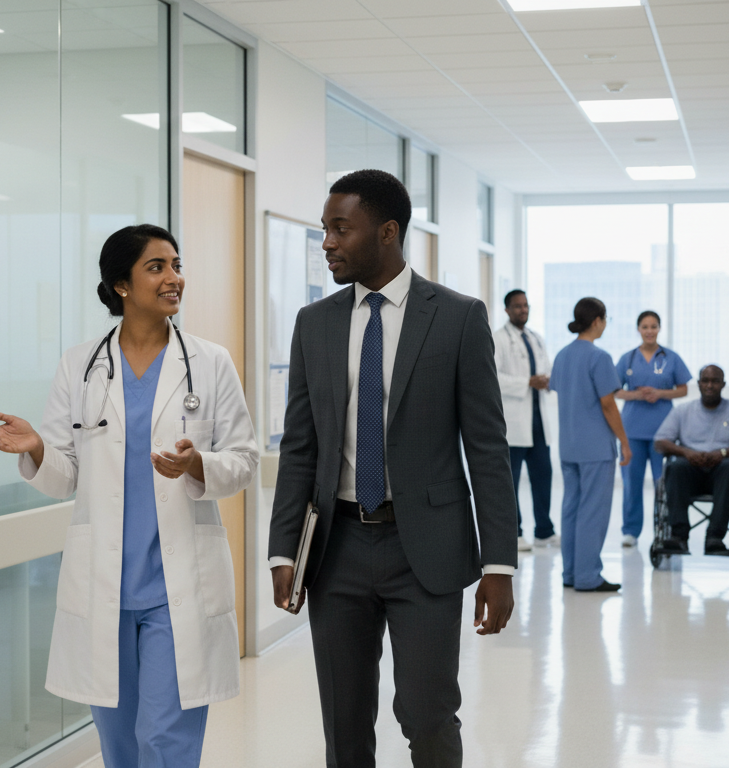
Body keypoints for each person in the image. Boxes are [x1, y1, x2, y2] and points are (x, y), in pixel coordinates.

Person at [0, 224, 259, 768]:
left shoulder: (210, 361)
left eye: (176, 265)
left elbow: (243, 460)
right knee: (121, 744)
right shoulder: (80, 365)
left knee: (165, 741)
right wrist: (37, 449)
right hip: (105, 584)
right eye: (157, 267)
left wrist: (198, 463)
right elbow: (65, 477)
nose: (174, 278)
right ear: (121, 284)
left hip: (177, 586)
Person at [268, 170, 517, 768]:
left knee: (428, 715)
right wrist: (283, 551)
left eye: (340, 229)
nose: (327, 242)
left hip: (425, 549)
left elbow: (487, 449)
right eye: (325, 229)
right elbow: (301, 446)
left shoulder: (457, 317)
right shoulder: (315, 323)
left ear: (387, 232)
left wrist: (499, 564)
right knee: (345, 724)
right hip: (337, 550)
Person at [549, 297, 632, 592]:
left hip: (569, 446)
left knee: (571, 508)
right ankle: (587, 576)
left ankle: (571, 573)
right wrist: (624, 442)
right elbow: (608, 404)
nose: (605, 324)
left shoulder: (562, 355)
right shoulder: (599, 357)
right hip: (595, 447)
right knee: (592, 511)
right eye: (605, 319)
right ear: (597, 320)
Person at [653, 365, 729, 555]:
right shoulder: (683, 411)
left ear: (723, 384)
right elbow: (660, 442)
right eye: (705, 381)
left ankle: (715, 537)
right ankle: (678, 536)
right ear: (698, 384)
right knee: (676, 466)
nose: (710, 385)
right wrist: (686, 452)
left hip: (724, 474)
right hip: (690, 472)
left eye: (715, 381)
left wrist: (723, 453)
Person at [614, 310, 691, 548]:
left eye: (653, 326)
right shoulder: (627, 359)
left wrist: (659, 393)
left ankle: (665, 527)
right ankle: (630, 531)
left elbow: (683, 389)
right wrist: (637, 395)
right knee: (631, 484)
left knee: (665, 484)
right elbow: (615, 391)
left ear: (659, 329)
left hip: (663, 433)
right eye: (645, 327)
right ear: (638, 329)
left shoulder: (671, 358)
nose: (649, 331)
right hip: (632, 431)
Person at [494, 289, 556, 552]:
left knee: (543, 477)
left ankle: (544, 531)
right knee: (511, 481)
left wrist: (546, 380)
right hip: (514, 424)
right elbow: (493, 376)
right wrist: (527, 382)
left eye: (526, 305)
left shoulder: (536, 338)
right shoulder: (498, 339)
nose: (523, 310)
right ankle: (515, 533)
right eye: (518, 306)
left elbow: (548, 370)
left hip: (538, 421)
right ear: (507, 310)